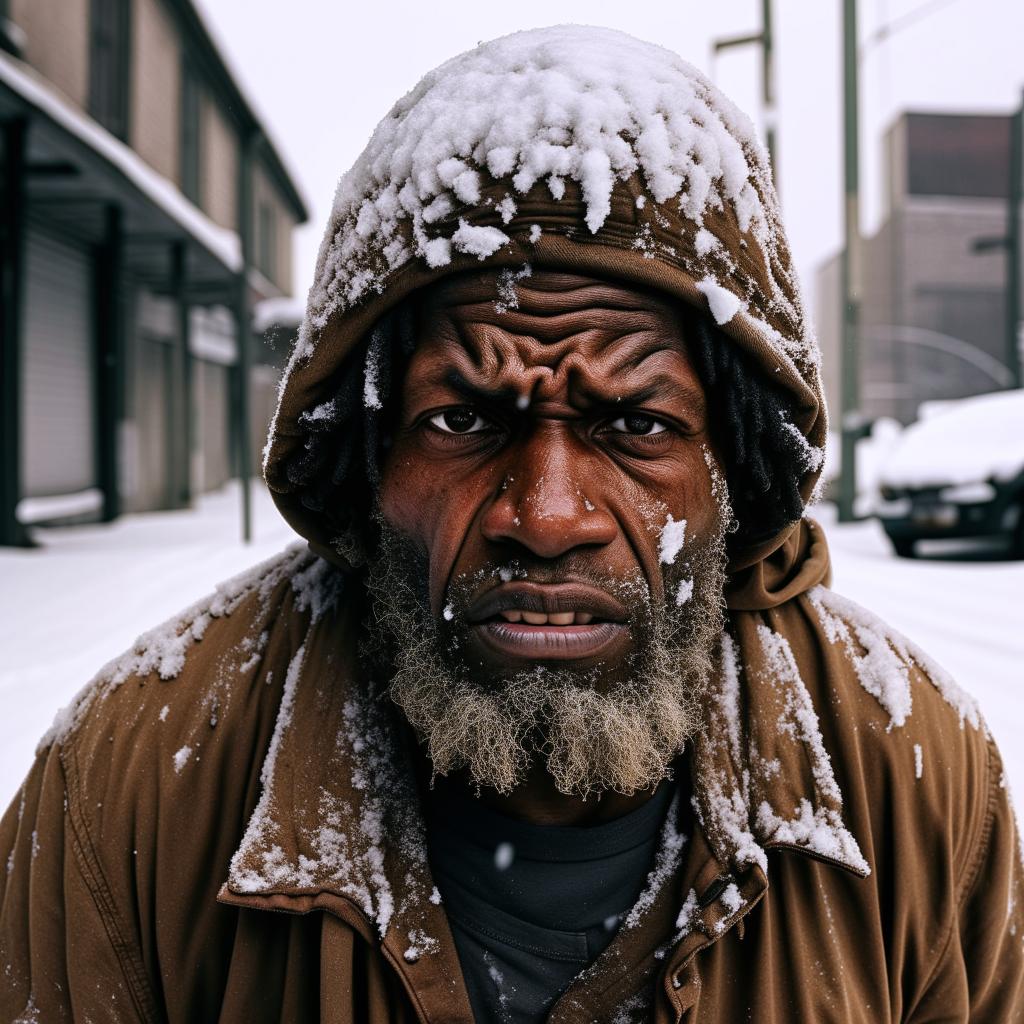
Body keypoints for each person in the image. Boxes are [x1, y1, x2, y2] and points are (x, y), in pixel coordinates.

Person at [2, 25, 1021, 1024]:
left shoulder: (915, 782)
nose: (546, 516)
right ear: (365, 464)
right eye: (461, 419)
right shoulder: (132, 789)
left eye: (636, 423)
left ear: (732, 475)